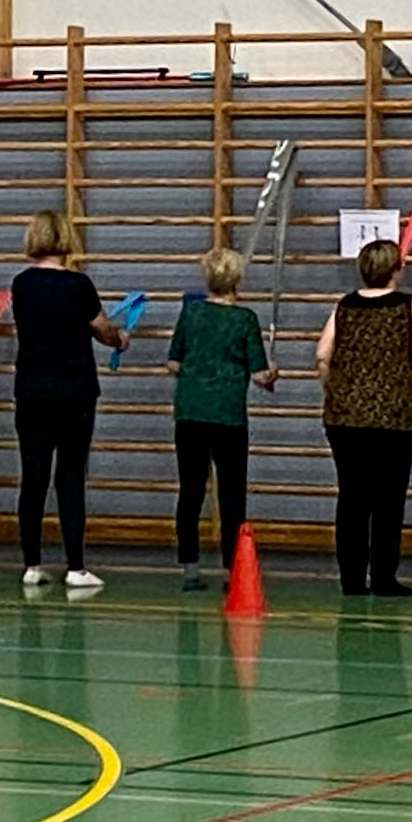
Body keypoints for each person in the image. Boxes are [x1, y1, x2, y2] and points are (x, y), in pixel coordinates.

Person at [9, 210, 125, 590]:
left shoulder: (21, 284)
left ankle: (31, 564)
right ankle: (76, 566)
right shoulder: (79, 285)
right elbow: (102, 328)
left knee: (33, 477)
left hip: (32, 390)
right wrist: (119, 338)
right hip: (74, 392)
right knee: (70, 477)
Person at [315, 238, 412, 597]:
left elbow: (322, 354)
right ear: (397, 269)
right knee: (388, 499)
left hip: (345, 416)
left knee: (351, 497)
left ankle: (351, 579)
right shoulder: (411, 305)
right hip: (396, 413)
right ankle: (383, 577)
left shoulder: (345, 305)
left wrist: (335, 390)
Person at [165, 247, 278, 591]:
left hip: (191, 412)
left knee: (190, 490)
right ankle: (233, 568)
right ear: (237, 279)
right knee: (231, 494)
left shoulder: (191, 313)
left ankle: (190, 567)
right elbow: (259, 375)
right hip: (228, 416)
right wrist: (272, 374)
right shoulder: (245, 319)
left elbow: (173, 363)